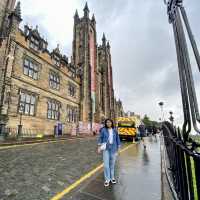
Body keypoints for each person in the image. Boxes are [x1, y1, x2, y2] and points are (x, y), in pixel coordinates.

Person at [97, 119, 121, 187]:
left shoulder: (115, 130)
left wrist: (119, 148)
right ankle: (107, 179)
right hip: (106, 149)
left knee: (112, 164)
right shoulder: (103, 130)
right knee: (106, 165)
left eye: (109, 122)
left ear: (112, 123)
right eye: (107, 122)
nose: (108, 123)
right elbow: (100, 138)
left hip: (113, 148)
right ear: (106, 123)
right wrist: (99, 147)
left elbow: (117, 139)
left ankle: (112, 177)